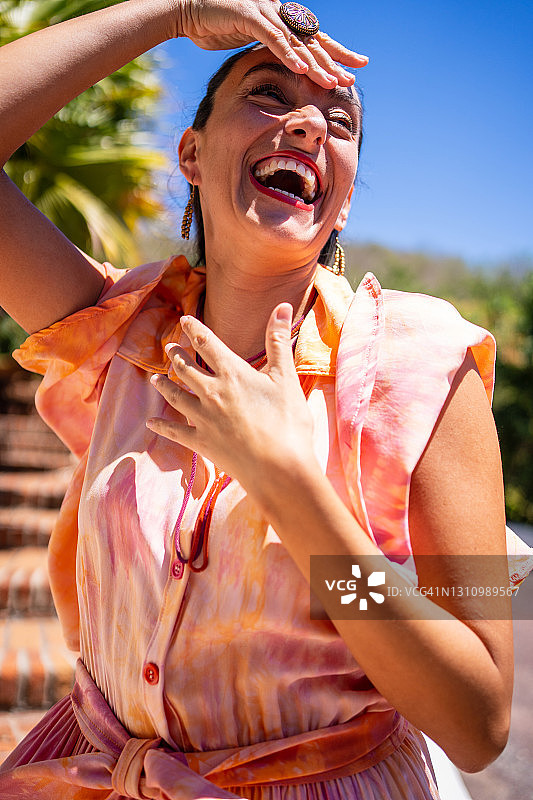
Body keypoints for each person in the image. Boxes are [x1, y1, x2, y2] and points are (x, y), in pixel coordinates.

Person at [0, 1, 531, 798]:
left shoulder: (431, 367)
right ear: (191, 151)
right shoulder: (118, 336)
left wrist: (290, 487)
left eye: (339, 120)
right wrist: (170, 13)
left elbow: (477, 716)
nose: (309, 126)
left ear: (343, 200)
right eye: (268, 96)